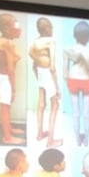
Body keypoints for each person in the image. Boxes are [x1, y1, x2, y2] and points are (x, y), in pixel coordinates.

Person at [0, 13, 25, 144]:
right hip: (6, 78)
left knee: (6, 105)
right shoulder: (8, 44)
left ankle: (9, 128)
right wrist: (13, 89)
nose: (20, 29)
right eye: (16, 26)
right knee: (5, 106)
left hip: (3, 77)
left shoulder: (4, 42)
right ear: (7, 29)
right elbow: (10, 70)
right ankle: (7, 137)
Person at [63, 21, 89, 146]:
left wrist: (68, 85)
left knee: (76, 113)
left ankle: (78, 140)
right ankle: (86, 141)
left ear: (74, 35)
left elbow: (65, 73)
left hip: (73, 80)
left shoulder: (68, 50)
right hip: (87, 81)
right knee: (87, 114)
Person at [29, 17, 62, 147]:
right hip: (47, 72)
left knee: (41, 103)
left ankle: (40, 134)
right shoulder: (51, 41)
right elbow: (52, 67)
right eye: (51, 27)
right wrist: (57, 87)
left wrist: (38, 76)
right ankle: (50, 141)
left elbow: (33, 63)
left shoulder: (35, 42)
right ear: (47, 28)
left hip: (39, 71)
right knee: (55, 105)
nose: (52, 30)